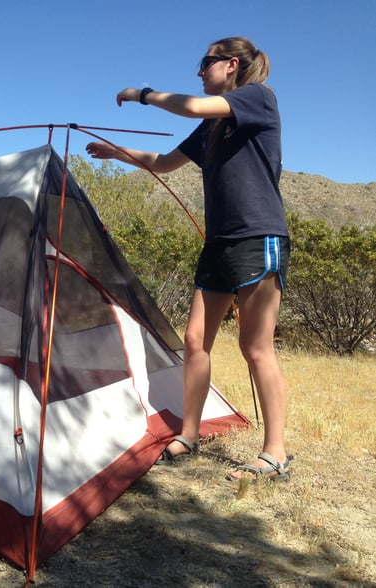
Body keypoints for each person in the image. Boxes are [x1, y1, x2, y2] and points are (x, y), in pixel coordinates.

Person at [86, 37, 291, 482]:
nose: (200, 72)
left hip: (258, 236)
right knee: (195, 341)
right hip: (218, 243)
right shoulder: (212, 127)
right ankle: (190, 433)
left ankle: (275, 454)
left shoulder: (258, 98)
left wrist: (142, 94)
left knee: (255, 347)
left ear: (231, 64)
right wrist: (115, 152)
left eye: (206, 63)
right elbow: (164, 162)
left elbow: (196, 106)